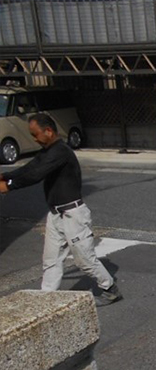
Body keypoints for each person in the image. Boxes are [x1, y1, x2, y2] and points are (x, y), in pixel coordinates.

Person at [0, 112, 122, 306]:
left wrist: (9, 186)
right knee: (51, 259)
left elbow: (36, 175)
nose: (34, 138)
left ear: (48, 131)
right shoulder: (47, 152)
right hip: (56, 214)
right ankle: (46, 298)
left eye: (35, 134)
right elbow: (29, 168)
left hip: (74, 215)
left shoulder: (61, 152)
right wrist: (5, 176)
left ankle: (109, 288)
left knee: (84, 260)